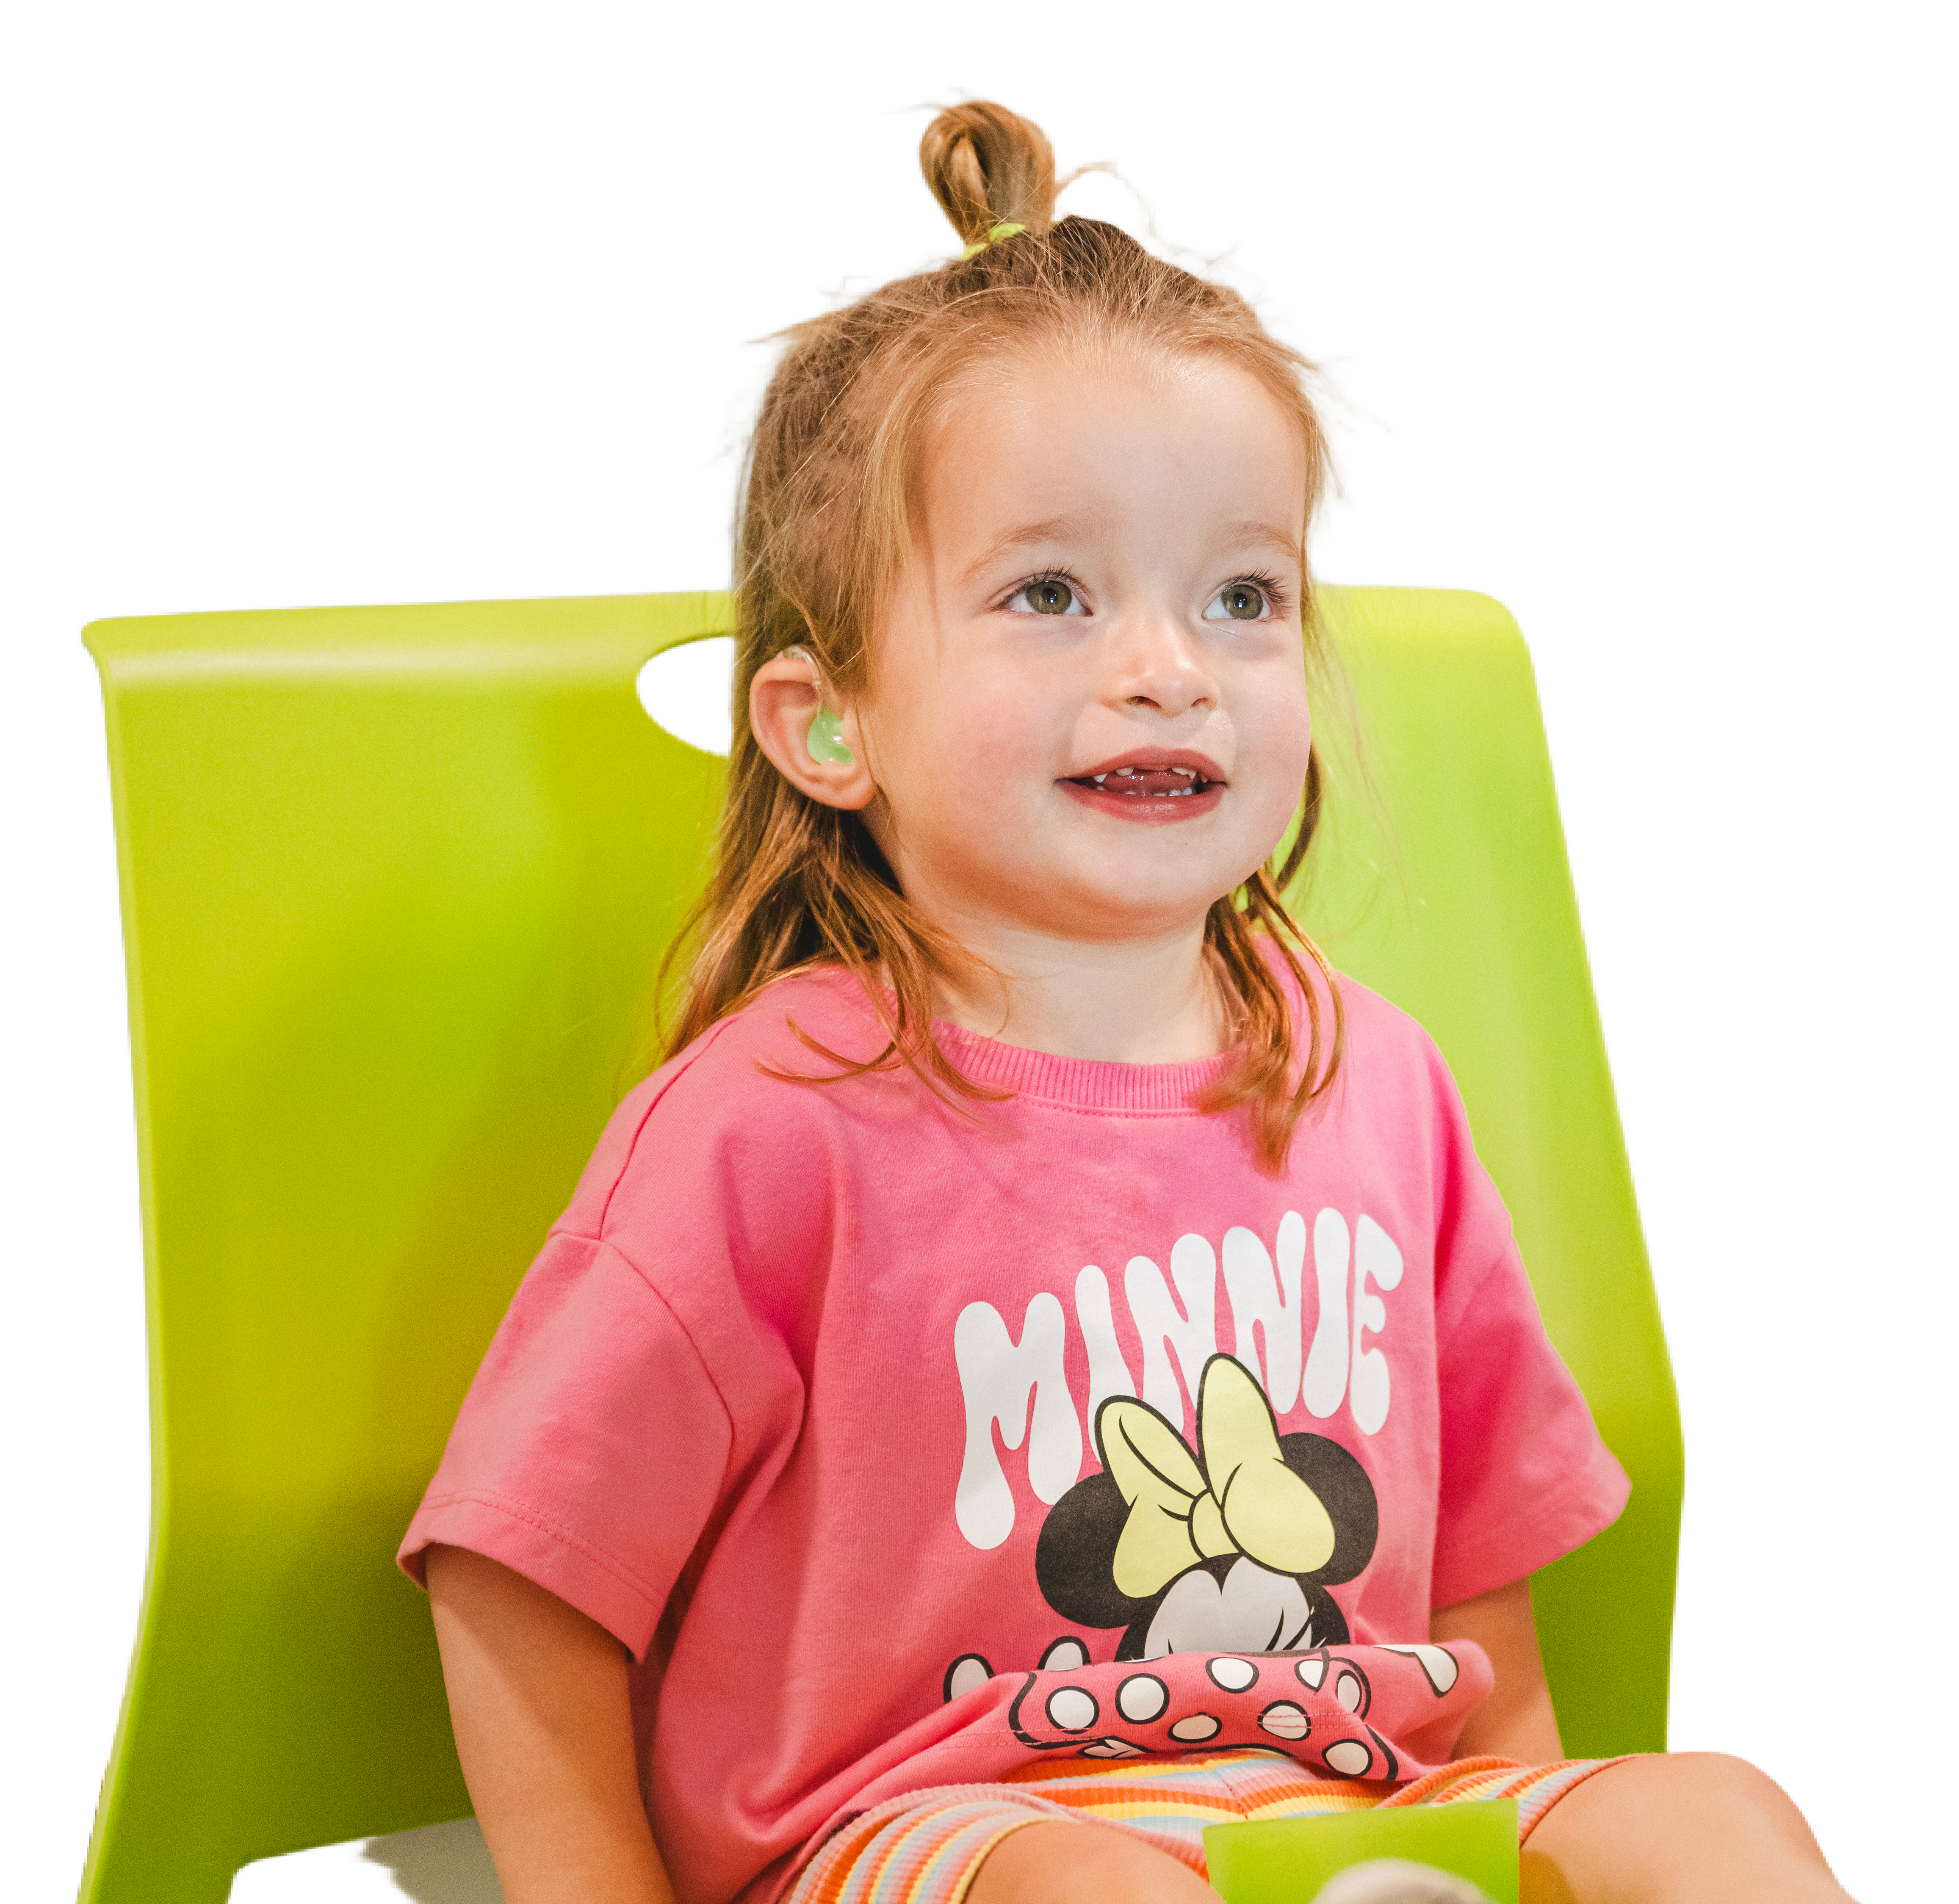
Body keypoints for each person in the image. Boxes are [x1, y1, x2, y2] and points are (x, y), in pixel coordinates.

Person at [398, 101, 1847, 1904]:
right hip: (928, 1833)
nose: (1170, 668)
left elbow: (1484, 1569)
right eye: (1051, 593)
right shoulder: (769, 1125)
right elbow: (520, 1565)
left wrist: (1521, 1834)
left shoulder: (1377, 1081)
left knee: (1717, 1819)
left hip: (1337, 1800)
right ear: (826, 721)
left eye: (1242, 594)